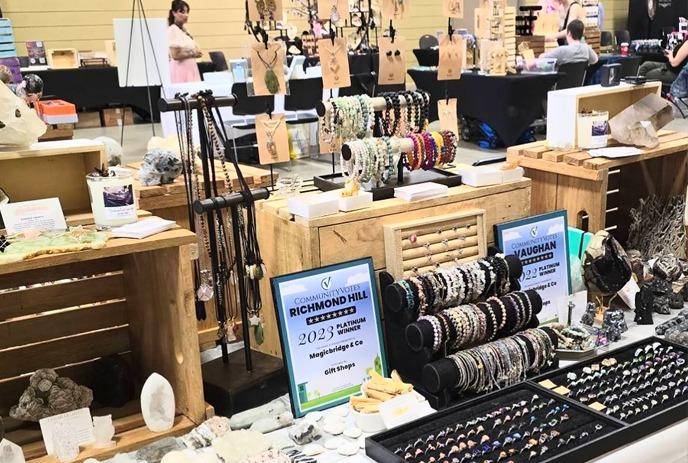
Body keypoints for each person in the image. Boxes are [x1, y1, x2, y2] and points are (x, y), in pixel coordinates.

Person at [167, 0, 202, 83]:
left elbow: (197, 50)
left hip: (190, 68)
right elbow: (175, 55)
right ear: (174, 13)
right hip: (180, 70)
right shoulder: (172, 30)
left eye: (187, 12)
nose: (186, 15)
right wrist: (193, 53)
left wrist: (193, 52)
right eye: (182, 12)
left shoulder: (185, 31)